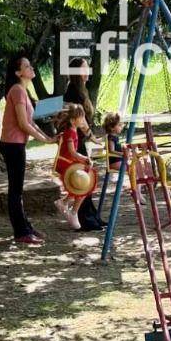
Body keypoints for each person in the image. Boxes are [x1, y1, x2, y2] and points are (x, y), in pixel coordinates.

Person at [0, 53, 53, 246]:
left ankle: (25, 227)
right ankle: (21, 231)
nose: (31, 68)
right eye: (27, 66)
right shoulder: (18, 91)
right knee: (15, 190)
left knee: (17, 190)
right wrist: (44, 140)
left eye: (31, 65)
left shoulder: (22, 91)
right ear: (18, 72)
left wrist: (47, 138)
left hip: (16, 144)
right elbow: (23, 124)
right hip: (12, 145)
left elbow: (30, 122)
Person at [62, 58, 104, 230]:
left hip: (80, 140)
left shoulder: (82, 90)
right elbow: (81, 121)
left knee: (86, 179)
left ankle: (91, 216)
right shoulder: (73, 91)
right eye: (84, 68)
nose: (88, 70)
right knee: (82, 180)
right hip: (75, 141)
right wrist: (94, 138)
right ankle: (83, 219)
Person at [52, 103, 96, 230]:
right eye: (81, 118)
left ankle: (65, 203)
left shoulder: (73, 131)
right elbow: (72, 152)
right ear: (72, 120)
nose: (83, 120)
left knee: (84, 184)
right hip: (65, 163)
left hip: (69, 162)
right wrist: (84, 158)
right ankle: (72, 211)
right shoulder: (70, 133)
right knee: (81, 185)